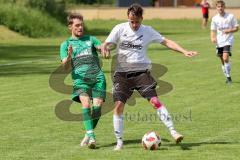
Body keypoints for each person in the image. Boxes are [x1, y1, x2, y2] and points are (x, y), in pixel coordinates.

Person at [101, 3, 198, 150]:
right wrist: (104, 48)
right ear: (128, 18)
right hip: (122, 74)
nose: (134, 24)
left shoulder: (148, 31)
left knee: (155, 101)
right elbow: (107, 44)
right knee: (119, 106)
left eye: (136, 22)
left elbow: (166, 42)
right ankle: (119, 142)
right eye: (131, 21)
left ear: (142, 18)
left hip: (141, 73)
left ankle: (173, 132)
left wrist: (183, 51)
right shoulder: (120, 28)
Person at [60, 13, 106, 149]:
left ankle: (88, 133)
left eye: (81, 25)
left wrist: (105, 48)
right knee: (86, 105)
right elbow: (65, 67)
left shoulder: (91, 39)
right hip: (80, 81)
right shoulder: (66, 44)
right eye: (77, 25)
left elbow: (101, 47)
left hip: (98, 78)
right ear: (70, 27)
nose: (80, 27)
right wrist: (69, 56)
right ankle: (92, 136)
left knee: (97, 109)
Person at [210, 0, 239, 84]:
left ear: (224, 7)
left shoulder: (230, 16)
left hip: (228, 41)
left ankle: (229, 78)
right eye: (218, 7)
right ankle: (227, 76)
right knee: (222, 60)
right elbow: (213, 30)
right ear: (216, 8)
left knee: (225, 58)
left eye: (222, 6)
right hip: (219, 41)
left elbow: (237, 28)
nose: (220, 8)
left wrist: (229, 30)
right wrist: (212, 38)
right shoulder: (215, 18)